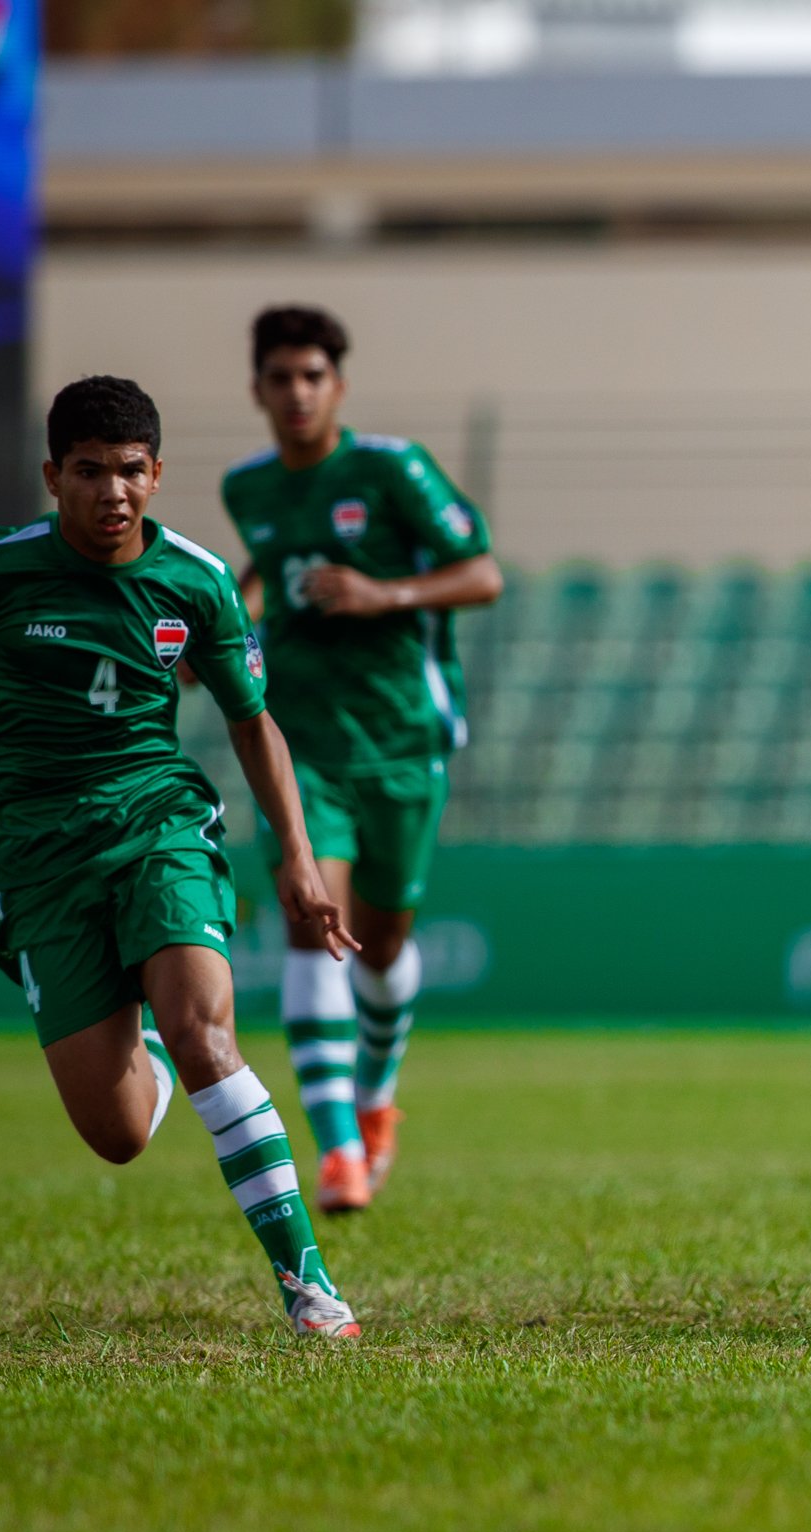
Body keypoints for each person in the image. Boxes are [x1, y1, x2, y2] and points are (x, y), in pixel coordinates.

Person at [0, 375, 363, 1337]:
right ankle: (140, 1038)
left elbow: (252, 719)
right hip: (36, 858)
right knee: (122, 1136)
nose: (113, 493)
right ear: (53, 476)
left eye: (131, 471)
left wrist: (298, 856)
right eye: (89, 472)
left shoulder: (198, 580)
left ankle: (311, 1290)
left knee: (206, 1036)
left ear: (157, 474)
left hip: (159, 827)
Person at [220, 306, 502, 1214]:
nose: (296, 393)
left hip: (403, 738)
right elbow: (261, 565)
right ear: (257, 389)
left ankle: (376, 1102)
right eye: (279, 377)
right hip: (300, 740)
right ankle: (339, 1149)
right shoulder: (249, 488)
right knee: (313, 921)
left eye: (312, 375)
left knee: (380, 949)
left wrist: (384, 593)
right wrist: (227, 620)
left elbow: (483, 573)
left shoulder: (391, 469)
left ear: (337, 384)